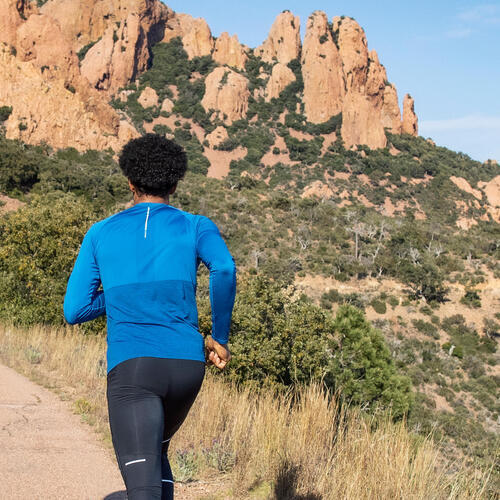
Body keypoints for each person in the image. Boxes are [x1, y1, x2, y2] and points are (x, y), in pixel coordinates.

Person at [63, 134, 237, 500]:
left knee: (140, 490)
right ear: (175, 183)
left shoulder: (100, 233)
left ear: (130, 181)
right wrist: (219, 337)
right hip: (188, 368)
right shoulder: (195, 225)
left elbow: (75, 310)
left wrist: (125, 294)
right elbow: (223, 268)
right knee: (156, 454)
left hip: (135, 370)